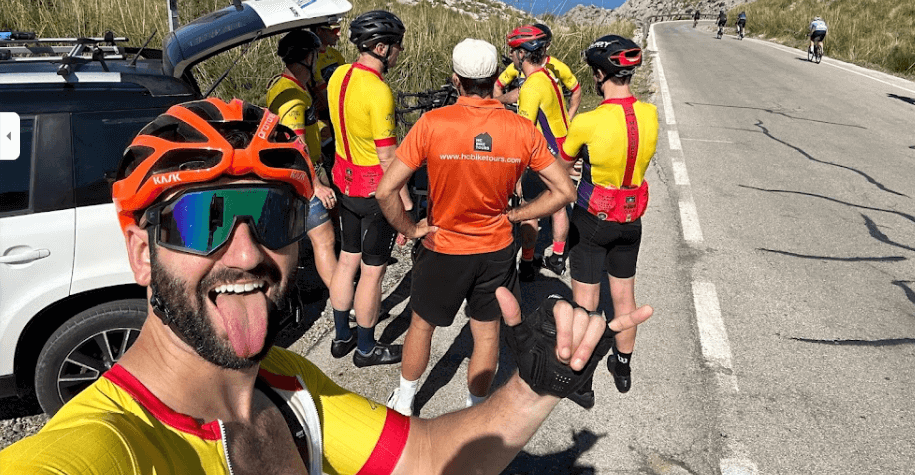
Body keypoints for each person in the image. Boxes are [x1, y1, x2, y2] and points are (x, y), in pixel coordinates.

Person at [0, 98, 654, 474]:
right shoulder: (108, 443)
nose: (247, 253)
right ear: (142, 254)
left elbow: (425, 456)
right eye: (205, 220)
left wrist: (534, 385)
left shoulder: (288, 385)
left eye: (272, 217)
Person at [376, 38, 577, 415]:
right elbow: (564, 190)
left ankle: (404, 403)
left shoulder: (432, 123)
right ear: (494, 80)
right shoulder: (520, 128)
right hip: (497, 248)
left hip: (442, 246)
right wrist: (516, 216)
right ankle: (476, 407)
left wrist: (411, 227)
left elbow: (386, 190)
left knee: (422, 325)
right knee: (486, 331)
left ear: (456, 80)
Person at [559, 35, 658, 409]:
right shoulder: (650, 115)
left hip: (593, 219)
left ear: (600, 74)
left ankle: (581, 383)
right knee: (623, 297)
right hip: (631, 218)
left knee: (586, 303)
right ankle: (623, 367)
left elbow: (563, 167)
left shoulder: (587, 121)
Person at [325, 10, 411, 367]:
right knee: (373, 271)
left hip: (343, 183)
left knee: (347, 261)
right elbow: (388, 158)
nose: (398, 53)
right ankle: (365, 348)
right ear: (380, 47)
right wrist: (404, 206)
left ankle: (341, 337)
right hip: (374, 192)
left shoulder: (338, 76)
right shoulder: (379, 92)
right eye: (396, 47)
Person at [266, 29, 339, 293]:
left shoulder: (292, 87)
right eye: (315, 56)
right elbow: (297, 146)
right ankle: (344, 300)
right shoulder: (293, 98)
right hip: (300, 177)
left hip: (298, 173)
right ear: (307, 57)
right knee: (324, 239)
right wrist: (316, 185)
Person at [505, 25, 573, 280]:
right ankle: (557, 257)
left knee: (530, 208)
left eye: (513, 51)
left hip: (544, 156)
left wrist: (518, 176)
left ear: (522, 54)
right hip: (561, 152)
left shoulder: (531, 88)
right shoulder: (545, 77)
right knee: (557, 206)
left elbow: (523, 137)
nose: (511, 56)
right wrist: (498, 99)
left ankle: (528, 262)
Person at [493, 23, 583, 120]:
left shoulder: (556, 68)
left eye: (512, 50)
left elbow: (576, 91)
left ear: (522, 53)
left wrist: (568, 117)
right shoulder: (533, 73)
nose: (509, 54)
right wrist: (497, 105)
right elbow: (515, 91)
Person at [309, 18, 347, 172]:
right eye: (333, 30)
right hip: (323, 116)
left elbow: (347, 82)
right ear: (319, 31)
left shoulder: (335, 54)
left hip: (336, 111)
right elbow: (320, 90)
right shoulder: (313, 58)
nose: (338, 34)